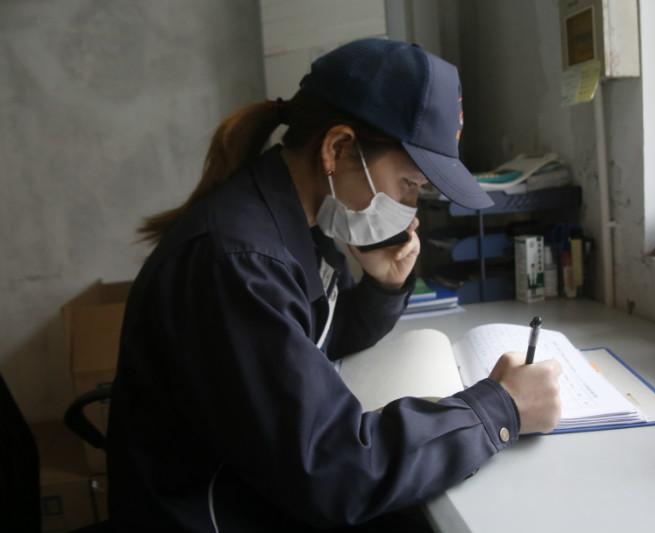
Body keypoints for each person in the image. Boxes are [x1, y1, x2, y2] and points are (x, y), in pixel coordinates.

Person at [107, 38, 562, 532]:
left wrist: (383, 287)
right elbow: (335, 470)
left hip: (258, 488)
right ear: (338, 148)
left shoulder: (302, 222)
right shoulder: (239, 263)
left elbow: (319, 338)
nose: (411, 209)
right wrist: (500, 408)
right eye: (409, 185)